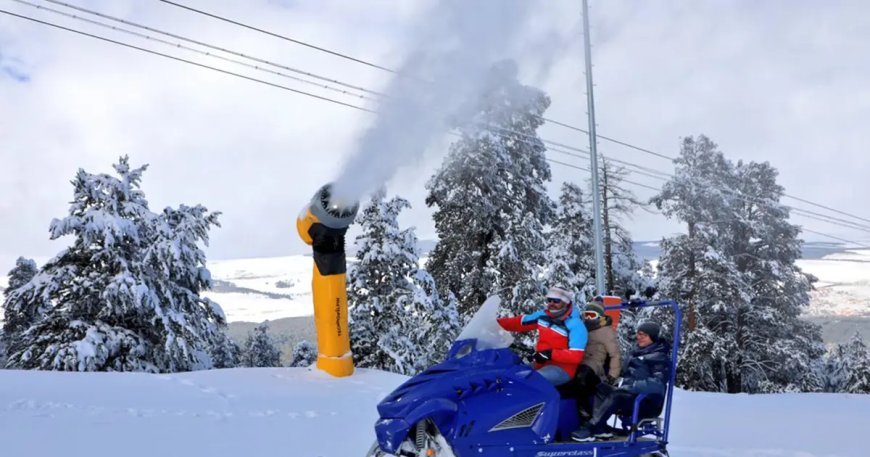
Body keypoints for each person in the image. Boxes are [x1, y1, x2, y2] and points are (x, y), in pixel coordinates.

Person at [571, 321, 670, 442]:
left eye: (643, 335)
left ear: (653, 337)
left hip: (647, 401)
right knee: (600, 388)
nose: (639, 337)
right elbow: (624, 372)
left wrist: (632, 386)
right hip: (631, 395)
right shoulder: (636, 352)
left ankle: (592, 427)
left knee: (618, 396)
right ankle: (599, 426)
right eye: (638, 334)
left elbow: (657, 384)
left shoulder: (659, 357)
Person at [497, 286, 588, 386]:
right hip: (541, 364)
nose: (552, 304)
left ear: (566, 302)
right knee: (508, 376)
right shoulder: (544, 316)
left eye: (556, 301)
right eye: (549, 300)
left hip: (563, 369)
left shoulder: (575, 325)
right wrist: (494, 324)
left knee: (527, 381)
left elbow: (576, 356)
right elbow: (519, 322)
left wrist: (549, 354)